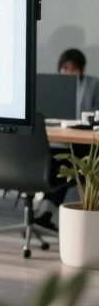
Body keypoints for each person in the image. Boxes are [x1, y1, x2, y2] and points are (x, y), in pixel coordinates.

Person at [35, 48, 99, 231]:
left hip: (84, 143)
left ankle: (46, 212)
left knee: (72, 164)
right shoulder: (53, 87)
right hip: (56, 142)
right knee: (62, 164)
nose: (68, 72)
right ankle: (46, 213)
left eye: (73, 68)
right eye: (64, 68)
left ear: (81, 69)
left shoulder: (93, 85)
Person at [57, 48, 99, 118]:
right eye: (65, 68)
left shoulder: (94, 84)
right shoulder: (54, 85)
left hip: (84, 127)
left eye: (74, 69)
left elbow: (97, 110)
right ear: (59, 68)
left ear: (81, 70)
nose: (69, 73)